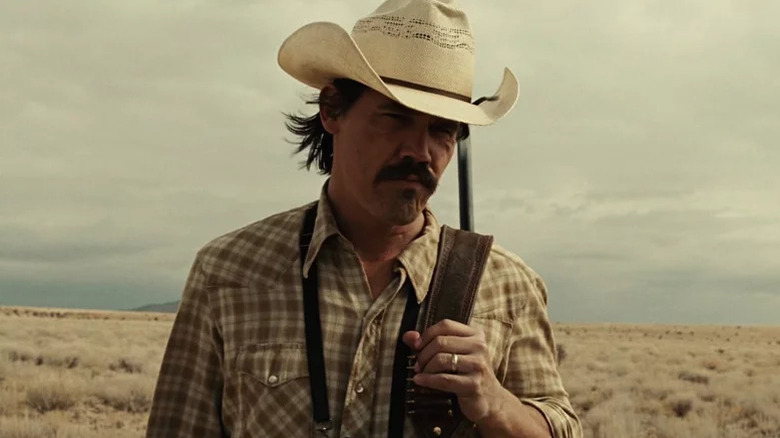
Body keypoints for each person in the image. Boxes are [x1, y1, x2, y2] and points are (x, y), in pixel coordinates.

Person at [146, 0, 582, 437]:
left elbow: (561, 427)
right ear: (332, 110)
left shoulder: (506, 285)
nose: (420, 151)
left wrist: (496, 403)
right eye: (395, 118)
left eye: (441, 130)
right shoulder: (228, 272)